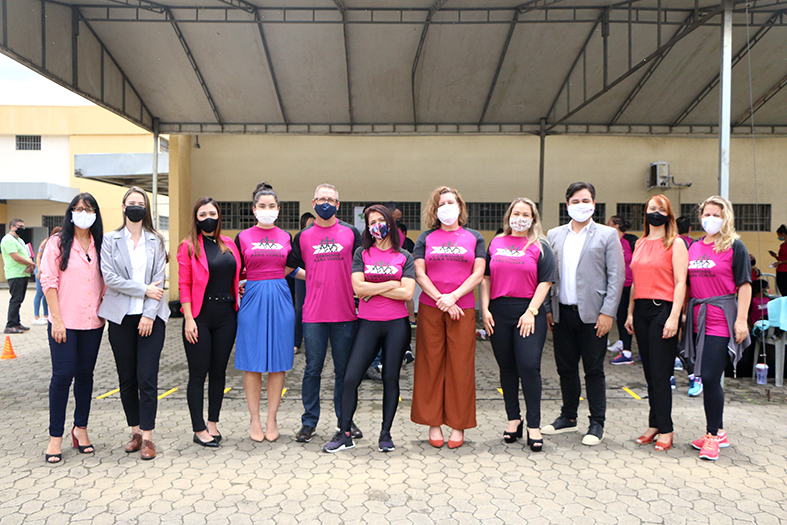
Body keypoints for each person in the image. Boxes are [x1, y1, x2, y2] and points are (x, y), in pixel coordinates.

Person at [323, 204, 416, 453]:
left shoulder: (404, 256)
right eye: (371, 222)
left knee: (390, 379)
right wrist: (390, 283)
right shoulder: (361, 254)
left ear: (390, 223)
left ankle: (385, 434)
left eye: (380, 220)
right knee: (350, 377)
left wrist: (373, 287)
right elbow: (358, 289)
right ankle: (345, 434)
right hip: (367, 324)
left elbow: (407, 292)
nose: (377, 226)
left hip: (396, 325)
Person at [542, 182, 625, 446]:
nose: (581, 205)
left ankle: (596, 422)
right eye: (575, 201)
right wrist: (547, 309)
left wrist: (608, 313)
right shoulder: (554, 235)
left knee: (593, 369)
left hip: (594, 316)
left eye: (585, 200)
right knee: (565, 368)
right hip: (562, 313)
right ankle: (568, 416)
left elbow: (616, 276)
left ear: (594, 204)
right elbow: (546, 275)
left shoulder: (607, 235)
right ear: (567, 205)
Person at [287, 184, 362, 443]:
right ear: (313, 201)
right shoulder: (304, 236)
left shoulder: (352, 233)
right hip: (314, 315)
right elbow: (288, 267)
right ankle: (309, 422)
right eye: (321, 199)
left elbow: (363, 264)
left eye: (331, 199)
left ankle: (346, 421)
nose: (326, 203)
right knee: (312, 370)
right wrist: (313, 276)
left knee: (344, 372)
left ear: (338, 204)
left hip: (345, 314)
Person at [411, 186, 486, 449]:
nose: (446, 207)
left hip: (461, 308)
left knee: (460, 366)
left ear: (460, 206)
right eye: (441, 203)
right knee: (430, 364)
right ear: (435, 209)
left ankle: (458, 424)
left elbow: (478, 274)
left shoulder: (474, 237)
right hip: (431, 307)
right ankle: (433, 422)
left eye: (451, 202)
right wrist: (441, 300)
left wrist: (453, 297)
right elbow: (420, 274)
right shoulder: (426, 238)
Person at [99, 187, 169, 460]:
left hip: (151, 318)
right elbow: (110, 278)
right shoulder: (110, 240)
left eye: (141, 203)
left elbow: (159, 283)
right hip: (120, 318)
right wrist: (143, 290)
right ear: (123, 206)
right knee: (127, 379)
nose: (136, 207)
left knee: (147, 378)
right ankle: (135, 432)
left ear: (146, 209)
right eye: (132, 203)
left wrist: (149, 314)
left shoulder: (157, 240)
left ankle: (149, 437)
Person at [480, 198, 555, 452]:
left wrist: (531, 311)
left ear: (533, 219)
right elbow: (486, 278)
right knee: (507, 367)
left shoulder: (540, 245)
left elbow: (545, 282)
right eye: (516, 213)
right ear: (509, 216)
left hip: (528, 312)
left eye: (526, 214)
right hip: (499, 311)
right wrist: (485, 309)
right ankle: (514, 419)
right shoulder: (497, 242)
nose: (520, 218)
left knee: (528, 366)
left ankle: (534, 424)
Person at [682, 196, 751, 461]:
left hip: (722, 318)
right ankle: (717, 432)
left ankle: (714, 435)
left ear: (726, 218)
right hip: (698, 317)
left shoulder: (735, 246)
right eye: (707, 214)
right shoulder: (695, 247)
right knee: (704, 376)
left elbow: (744, 284)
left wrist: (742, 319)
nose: (711, 219)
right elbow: (687, 283)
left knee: (710, 377)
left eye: (716, 215)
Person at [39, 193, 105, 464]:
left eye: (88, 209)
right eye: (78, 208)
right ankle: (56, 436)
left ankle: (81, 428)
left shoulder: (99, 243)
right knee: (62, 376)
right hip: (63, 323)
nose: (83, 213)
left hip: (93, 322)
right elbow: (48, 281)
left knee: (85, 376)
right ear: (70, 213)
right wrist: (56, 318)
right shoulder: (57, 243)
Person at [235, 182, 302, 443]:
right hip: (252, 298)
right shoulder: (243, 237)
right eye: (262, 206)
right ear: (254, 209)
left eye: (271, 206)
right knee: (251, 362)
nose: (267, 210)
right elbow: (236, 269)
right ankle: (254, 418)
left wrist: (323, 279)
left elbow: (291, 268)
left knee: (277, 361)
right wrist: (240, 286)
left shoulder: (286, 236)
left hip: (281, 297)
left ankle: (272, 417)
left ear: (278, 209)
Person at [623, 195, 688, 452]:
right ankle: (654, 425)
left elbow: (682, 282)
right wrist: (629, 313)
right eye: (652, 208)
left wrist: (674, 316)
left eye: (661, 209)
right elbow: (636, 282)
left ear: (669, 214)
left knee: (661, 375)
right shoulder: (639, 243)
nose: (656, 213)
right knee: (649, 373)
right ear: (645, 212)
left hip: (664, 309)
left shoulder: (675, 243)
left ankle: (666, 429)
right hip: (641, 309)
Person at [177, 197, 242, 448]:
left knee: (218, 373)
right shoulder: (188, 246)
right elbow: (184, 284)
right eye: (202, 214)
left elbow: (236, 274)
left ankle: (213, 423)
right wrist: (188, 319)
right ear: (196, 218)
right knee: (198, 374)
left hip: (227, 315)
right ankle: (198, 427)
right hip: (200, 318)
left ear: (219, 215)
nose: (208, 218)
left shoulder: (228, 244)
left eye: (212, 213)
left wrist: (241, 289)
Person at [606, 216, 638, 364]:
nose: (607, 226)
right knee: (621, 317)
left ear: (617, 226)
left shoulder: (631, 240)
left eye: (609, 223)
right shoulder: (610, 242)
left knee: (636, 318)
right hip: (618, 286)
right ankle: (626, 351)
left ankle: (642, 349)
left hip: (634, 286)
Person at [2, 218, 35, 333]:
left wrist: (30, 265)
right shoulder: (8, 240)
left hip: (23, 273)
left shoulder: (19, 240)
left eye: (23, 226)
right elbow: (15, 256)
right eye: (19, 226)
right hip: (15, 274)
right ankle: (10, 324)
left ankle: (17, 323)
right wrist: (31, 263)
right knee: (15, 299)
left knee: (19, 299)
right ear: (12, 226)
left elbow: (26, 254)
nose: (22, 228)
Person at [293, 212, 315, 354]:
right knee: (300, 309)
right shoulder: (299, 239)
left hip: (317, 278)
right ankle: (296, 342)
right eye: (309, 224)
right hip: (301, 278)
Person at [33, 227, 61, 326]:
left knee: (48, 295)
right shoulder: (47, 242)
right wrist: (39, 269)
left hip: (51, 269)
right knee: (39, 293)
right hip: (42, 269)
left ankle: (46, 315)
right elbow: (38, 256)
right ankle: (36, 316)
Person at [768, 224, 787, 296]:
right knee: (782, 289)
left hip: (785, 271)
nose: (778, 237)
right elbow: (782, 257)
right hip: (780, 270)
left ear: (783, 234)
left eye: (779, 235)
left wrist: (780, 262)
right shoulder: (782, 245)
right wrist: (775, 256)